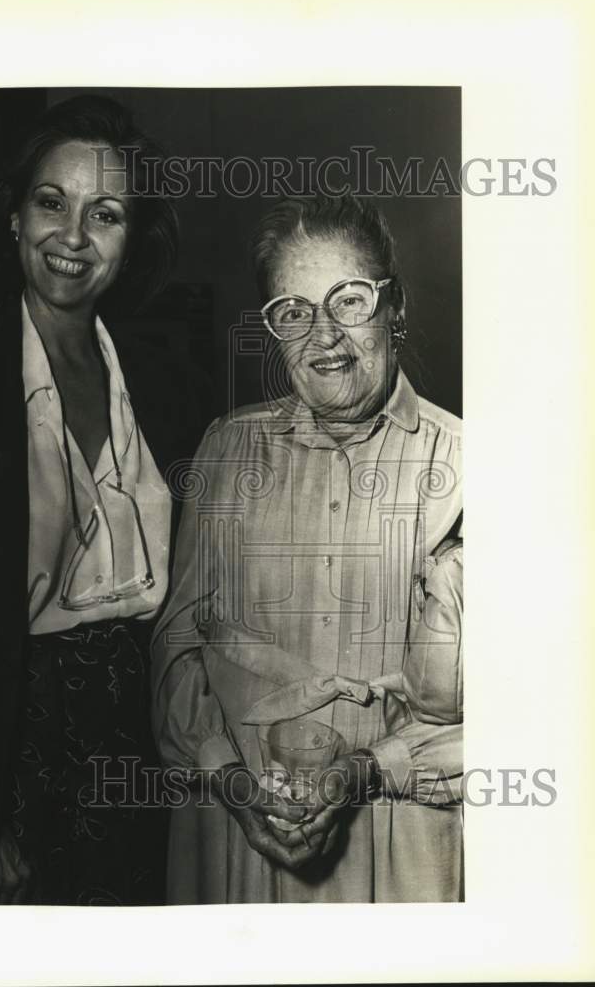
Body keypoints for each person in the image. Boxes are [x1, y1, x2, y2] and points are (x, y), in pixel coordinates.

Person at [0, 95, 201, 905]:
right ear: (13, 218)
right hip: (8, 747)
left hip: (147, 744)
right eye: (51, 203)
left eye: (106, 214)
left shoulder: (166, 383)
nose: (73, 237)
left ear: (131, 242)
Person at [151, 192, 463, 903]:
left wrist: (370, 768)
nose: (324, 335)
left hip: (402, 845)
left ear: (396, 307)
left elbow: (525, 710)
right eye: (293, 311)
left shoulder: (471, 465)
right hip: (236, 842)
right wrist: (229, 780)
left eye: (348, 300)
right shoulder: (227, 450)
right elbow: (174, 648)